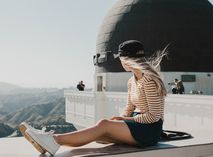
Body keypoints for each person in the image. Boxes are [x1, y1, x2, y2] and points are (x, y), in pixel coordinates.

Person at [19, 40, 167, 156]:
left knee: (103, 125)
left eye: (121, 58)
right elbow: (129, 108)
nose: (120, 61)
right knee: (99, 132)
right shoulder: (132, 81)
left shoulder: (148, 80)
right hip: (138, 125)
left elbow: (153, 117)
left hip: (149, 131)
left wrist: (124, 120)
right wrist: (120, 118)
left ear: (127, 59)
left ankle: (53, 140)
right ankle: (50, 140)